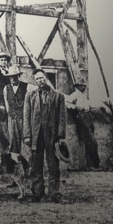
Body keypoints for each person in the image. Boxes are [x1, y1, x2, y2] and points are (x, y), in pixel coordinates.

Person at [24, 68, 67, 202]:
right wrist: (27, 135)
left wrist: (60, 136)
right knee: (36, 165)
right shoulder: (30, 96)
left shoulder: (58, 96)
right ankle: (37, 192)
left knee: (53, 165)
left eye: (41, 78)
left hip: (52, 135)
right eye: (37, 79)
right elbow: (26, 116)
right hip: (36, 135)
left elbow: (61, 117)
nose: (40, 81)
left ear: (46, 78)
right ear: (35, 81)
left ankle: (54, 193)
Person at [66, 79, 101, 169]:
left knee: (90, 141)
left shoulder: (83, 95)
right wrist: (76, 107)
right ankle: (93, 164)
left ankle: (92, 164)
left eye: (84, 86)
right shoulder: (75, 94)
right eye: (81, 86)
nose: (83, 87)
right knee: (91, 141)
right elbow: (67, 102)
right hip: (81, 117)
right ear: (77, 86)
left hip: (88, 117)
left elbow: (87, 106)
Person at [3, 66, 28, 153]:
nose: (13, 78)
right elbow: (6, 102)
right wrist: (10, 113)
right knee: (13, 140)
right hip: (12, 118)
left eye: (15, 76)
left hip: (22, 118)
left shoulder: (25, 86)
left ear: (18, 76)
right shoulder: (6, 88)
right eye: (11, 76)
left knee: (24, 139)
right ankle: (14, 161)